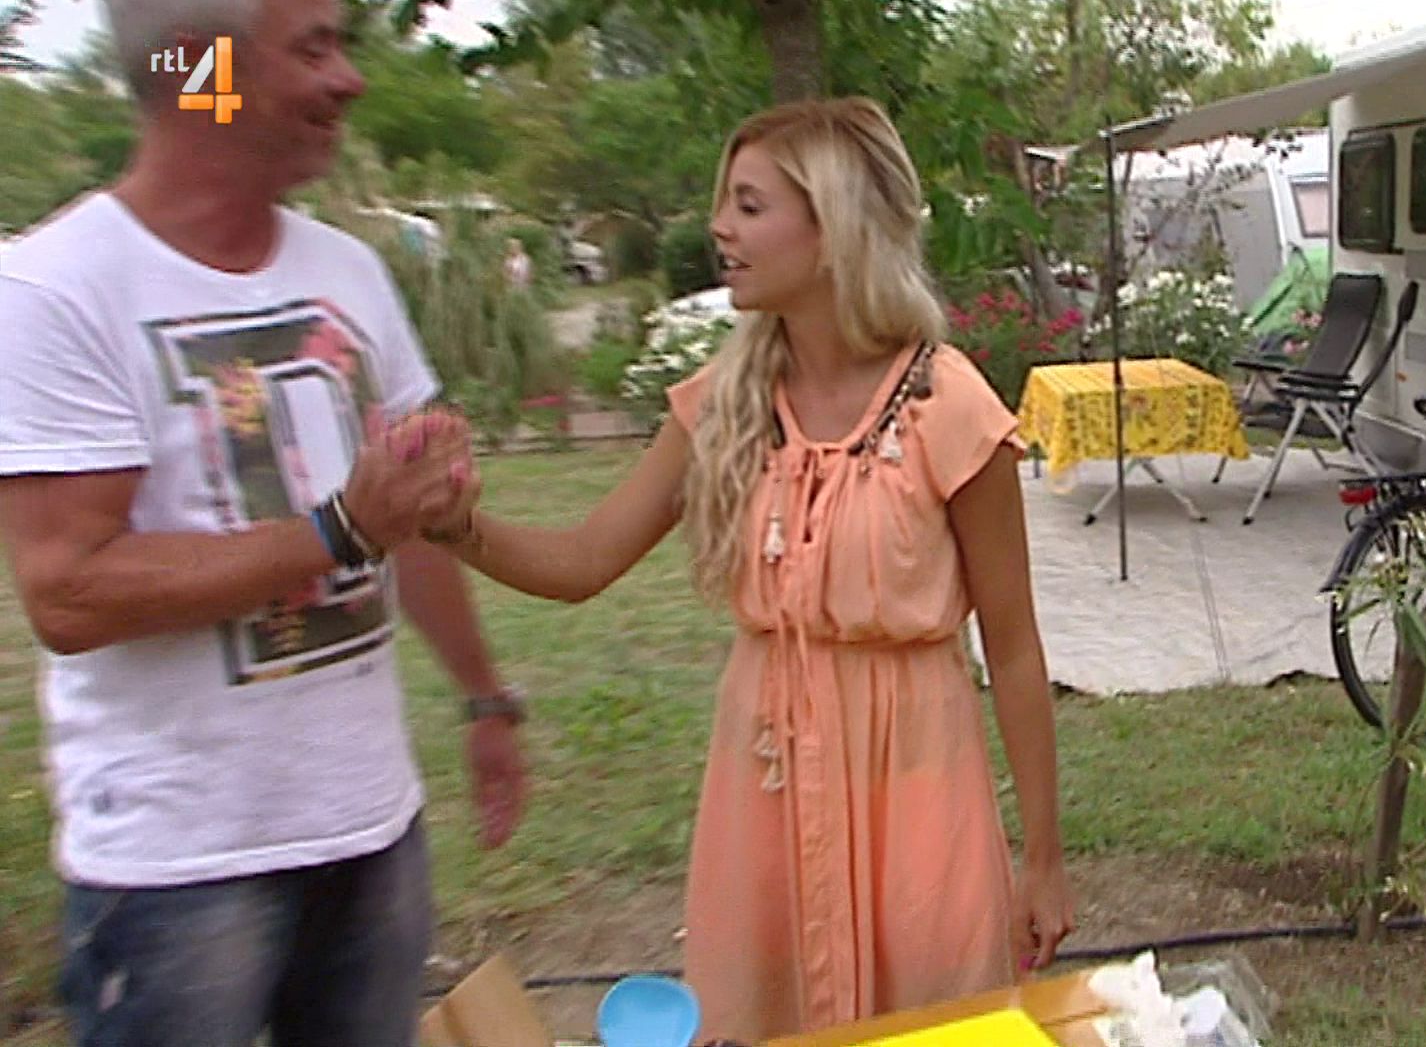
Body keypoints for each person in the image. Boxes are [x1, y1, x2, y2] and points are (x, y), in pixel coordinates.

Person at [415, 97, 1075, 1041]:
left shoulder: (948, 404)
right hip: (762, 791)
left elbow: (1012, 650)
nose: (719, 226)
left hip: (914, 791)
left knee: (929, 1021)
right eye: (725, 202)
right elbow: (584, 560)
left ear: (834, 226)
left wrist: (1042, 860)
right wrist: (459, 529)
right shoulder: (724, 402)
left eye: (750, 205)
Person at [0, 0, 527, 1043]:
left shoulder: (350, 271)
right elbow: (70, 593)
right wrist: (340, 529)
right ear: (204, 72)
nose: (351, 79)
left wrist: (483, 698)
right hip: (179, 875)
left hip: (371, 832)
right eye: (314, 48)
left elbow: (409, 518)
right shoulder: (57, 289)